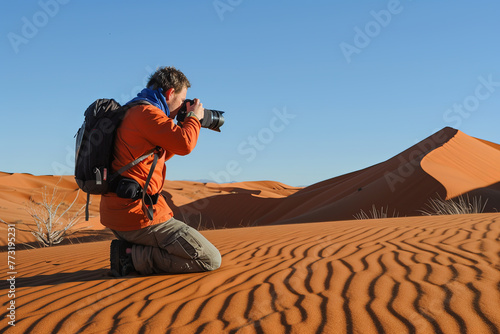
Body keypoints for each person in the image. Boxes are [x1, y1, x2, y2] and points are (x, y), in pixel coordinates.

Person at [100, 66, 221, 277]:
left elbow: (159, 156)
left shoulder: (132, 111)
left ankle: (131, 252)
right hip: (138, 217)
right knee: (209, 259)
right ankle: (130, 258)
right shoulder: (147, 113)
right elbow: (184, 145)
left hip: (119, 214)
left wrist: (183, 123)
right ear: (169, 93)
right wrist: (193, 118)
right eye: (182, 99)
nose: (183, 105)